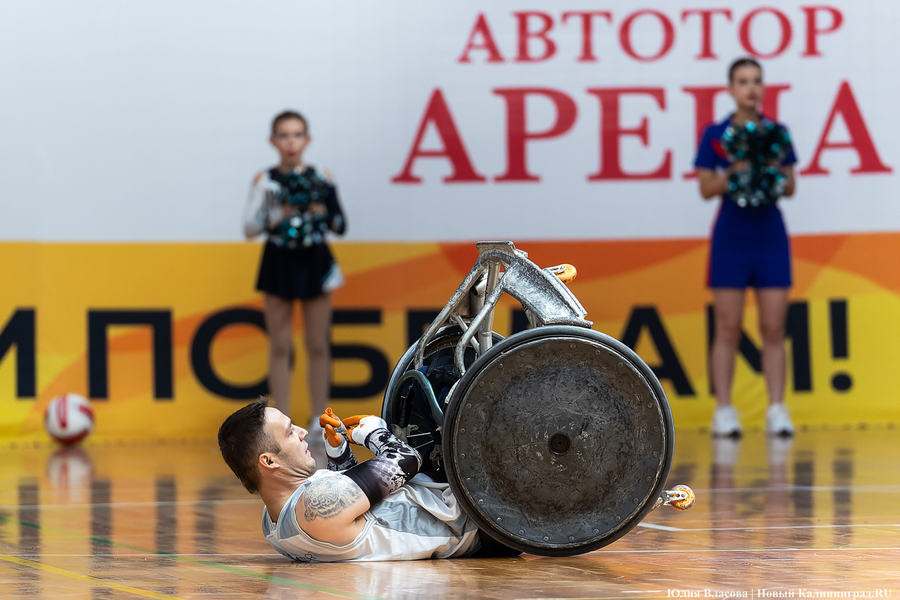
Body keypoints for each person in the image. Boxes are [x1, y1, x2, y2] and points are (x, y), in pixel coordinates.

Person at [217, 398, 519, 562]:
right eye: (289, 432)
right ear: (268, 461)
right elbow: (406, 460)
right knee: (446, 388)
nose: (302, 432)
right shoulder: (314, 502)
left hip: (465, 511)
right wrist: (374, 434)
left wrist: (339, 456)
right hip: (482, 519)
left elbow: (355, 513)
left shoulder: (274, 523)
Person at [694, 58, 797, 438]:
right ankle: (724, 410)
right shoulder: (716, 134)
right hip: (731, 236)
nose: (750, 88)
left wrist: (771, 165)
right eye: (742, 81)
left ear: (763, 87)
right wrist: (734, 170)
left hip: (769, 234)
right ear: (730, 88)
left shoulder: (777, 133)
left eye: (756, 81)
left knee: (773, 326)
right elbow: (706, 189)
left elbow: (790, 186)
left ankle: (776, 408)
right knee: (727, 327)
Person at [243, 111, 346, 443]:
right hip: (279, 261)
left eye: (297, 134)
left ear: (307, 139)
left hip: (314, 260)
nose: (291, 142)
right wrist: (277, 215)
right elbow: (249, 227)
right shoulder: (265, 181)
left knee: (317, 343)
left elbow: (340, 224)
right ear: (273, 141)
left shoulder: (322, 177)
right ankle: (281, 418)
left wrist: (322, 213)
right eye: (284, 135)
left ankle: (319, 417)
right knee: (280, 344)